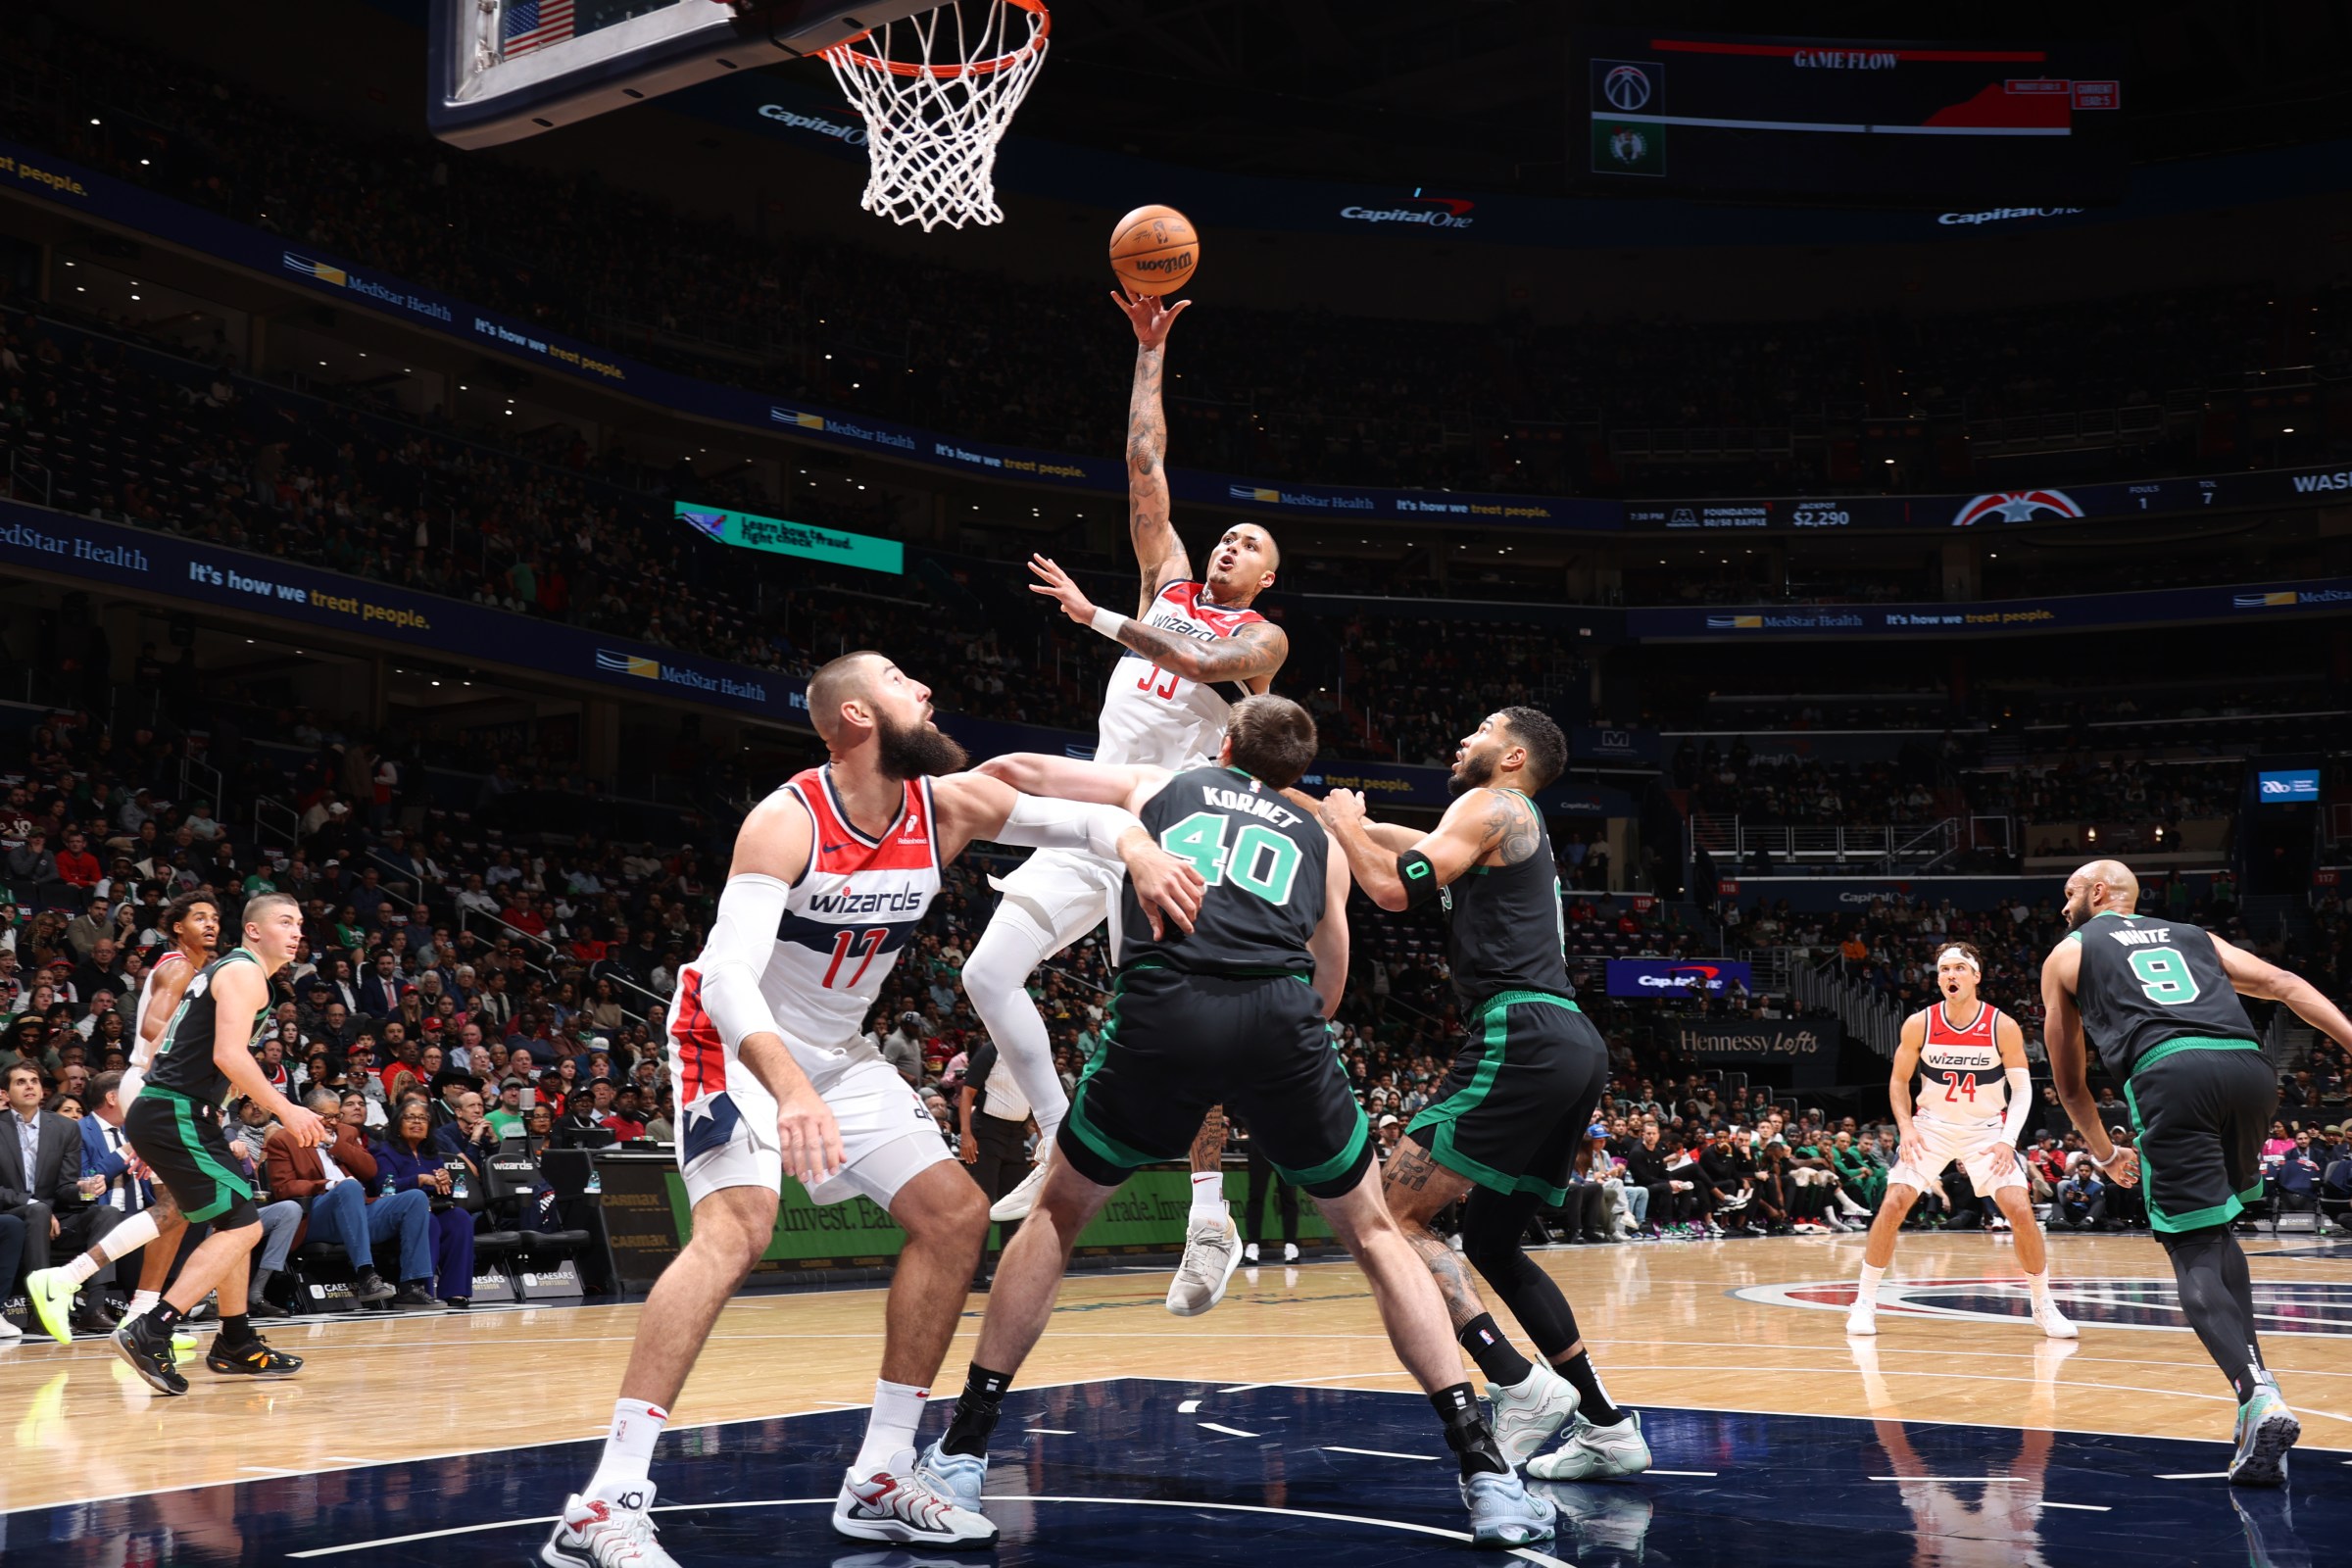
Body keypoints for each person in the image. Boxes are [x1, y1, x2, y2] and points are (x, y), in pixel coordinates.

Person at [543, 652, 1204, 1565]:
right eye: (902, 681)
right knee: (737, 1231)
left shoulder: (947, 806)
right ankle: (604, 1503)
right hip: (731, 1039)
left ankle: (882, 1476)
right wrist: (792, 1088)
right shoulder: (786, 820)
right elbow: (730, 978)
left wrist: (1137, 846)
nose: (926, 688)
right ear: (854, 716)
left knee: (956, 1214)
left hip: (840, 1053)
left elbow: (1087, 824)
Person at [930, 696, 1552, 1547]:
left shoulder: (1163, 781)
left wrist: (943, 794)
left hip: (1165, 1011)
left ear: (1223, 744)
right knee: (1374, 1233)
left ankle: (964, 1450)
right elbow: (1330, 990)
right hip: (1277, 1025)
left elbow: (1015, 776)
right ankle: (1485, 1472)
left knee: (1058, 1214)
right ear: (1298, 774)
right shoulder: (1325, 843)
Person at [965, 287, 1289, 1325]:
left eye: (1250, 541)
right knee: (986, 969)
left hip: (1170, 835)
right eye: (1226, 534)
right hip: (1097, 816)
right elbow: (1145, 467)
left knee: (1180, 1035)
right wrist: (1148, 350)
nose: (1230, 543)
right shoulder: (1169, 577)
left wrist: (1096, 613)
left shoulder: (1262, 645)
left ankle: (1207, 1212)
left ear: (1270, 576)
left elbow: (1188, 654)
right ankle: (1046, 1125)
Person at [1321, 708, 1650, 1485]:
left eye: (1475, 730)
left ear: (1510, 756)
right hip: (1573, 1044)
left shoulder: (1489, 804)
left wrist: (1345, 829)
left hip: (1520, 1034)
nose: (1458, 738)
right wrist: (1327, 815)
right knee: (1494, 1246)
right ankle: (1607, 1427)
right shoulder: (1498, 823)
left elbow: (1392, 889)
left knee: (1389, 1215)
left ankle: (1517, 1381)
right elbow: (1407, 845)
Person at [2041, 858, 2352, 1486]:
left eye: (2070, 891)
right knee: (2221, 1233)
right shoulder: (2194, 936)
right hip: (2249, 1071)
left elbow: (2070, 1082)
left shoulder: (2068, 953)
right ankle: (2255, 1402)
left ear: (2100, 893)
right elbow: (2286, 984)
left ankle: (2256, 1395)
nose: (2063, 904)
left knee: (2191, 1251)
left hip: (2170, 1071)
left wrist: (2104, 1152)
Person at [110, 894, 327, 1393]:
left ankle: (234, 1339)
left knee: (237, 1219)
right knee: (242, 1224)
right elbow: (229, 1055)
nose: (296, 932)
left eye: (300, 923)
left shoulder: (238, 973)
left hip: (181, 1110)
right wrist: (287, 1109)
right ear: (253, 931)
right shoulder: (244, 972)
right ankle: (152, 1328)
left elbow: (213, 1055)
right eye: (285, 922)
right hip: (174, 1109)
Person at [1848, 942, 2075, 1340]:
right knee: (1894, 1202)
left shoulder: (2001, 1025)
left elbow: (2022, 1091)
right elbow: (1899, 1080)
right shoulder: (1920, 1023)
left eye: (1958, 968)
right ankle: (1864, 1301)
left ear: (1976, 976)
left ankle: (2042, 1304)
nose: (1949, 976)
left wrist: (2008, 1139)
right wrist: (1906, 1127)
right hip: (1931, 1126)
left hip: (1985, 1129)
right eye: (1943, 970)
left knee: (2020, 1210)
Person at [30, 892, 219, 1335]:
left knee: (178, 1207)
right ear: (177, 926)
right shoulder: (177, 968)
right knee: (188, 1206)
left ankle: (139, 1315)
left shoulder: (192, 970)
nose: (210, 924)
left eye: (214, 918)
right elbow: (155, 1026)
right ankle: (66, 1280)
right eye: (199, 917)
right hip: (156, 1084)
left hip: (156, 1087)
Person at [2, 1057, 122, 1337]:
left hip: (56, 1214)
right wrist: (34, 1204)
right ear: (6, 1094)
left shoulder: (65, 1128)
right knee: (38, 1212)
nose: (30, 1087)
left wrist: (87, 1190)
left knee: (108, 1214)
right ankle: (42, 1310)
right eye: (21, 1082)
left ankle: (94, 1307)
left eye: (34, 1081)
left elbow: (65, 1188)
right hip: (11, 1213)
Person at [374, 1100, 474, 1307]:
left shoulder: (432, 1154)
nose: (417, 1122)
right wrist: (419, 1180)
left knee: (460, 1219)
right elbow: (384, 1187)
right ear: (397, 1123)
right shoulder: (384, 1151)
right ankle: (419, 1289)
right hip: (396, 1214)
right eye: (410, 1117)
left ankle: (455, 1291)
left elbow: (440, 1189)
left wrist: (445, 1180)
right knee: (428, 1221)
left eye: (422, 1118)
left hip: (432, 1206)